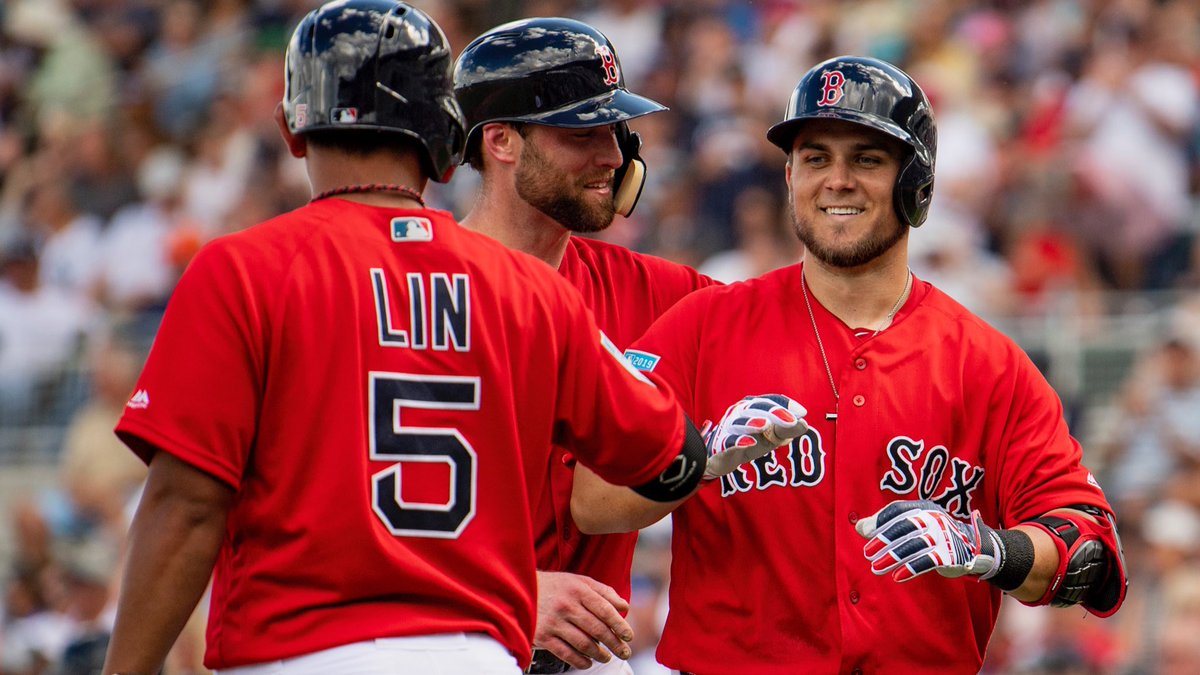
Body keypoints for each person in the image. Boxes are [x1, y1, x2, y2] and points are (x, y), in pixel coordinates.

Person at [98, 3, 787, 674]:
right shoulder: (529, 290)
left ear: (289, 128)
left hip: (302, 645)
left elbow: (187, 505)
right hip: (479, 646)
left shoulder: (246, 267)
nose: (612, 155)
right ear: (458, 135)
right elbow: (667, 457)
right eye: (582, 133)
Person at [573, 55, 1128, 675]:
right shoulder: (703, 326)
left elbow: (1090, 551)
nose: (837, 180)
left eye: (866, 159)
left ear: (913, 182)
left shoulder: (988, 365)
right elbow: (591, 501)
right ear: (789, 176)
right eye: (816, 158)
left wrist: (994, 550)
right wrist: (689, 459)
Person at [452, 18, 719, 675]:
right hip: (436, 638)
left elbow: (807, 314)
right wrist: (509, 592)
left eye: (615, 132)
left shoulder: (661, 291)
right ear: (501, 140)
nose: (611, 157)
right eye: (581, 134)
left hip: (587, 659)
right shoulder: (411, 287)